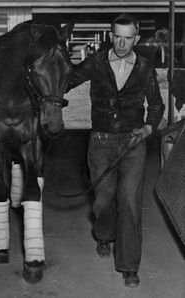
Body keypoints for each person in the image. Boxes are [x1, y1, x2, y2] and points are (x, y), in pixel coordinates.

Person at [68, 14, 165, 287]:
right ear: (111, 36)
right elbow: (67, 81)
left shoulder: (145, 67)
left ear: (136, 38)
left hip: (133, 142)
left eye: (128, 37)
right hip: (100, 142)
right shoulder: (96, 62)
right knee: (103, 201)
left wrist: (147, 129)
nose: (122, 43)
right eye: (117, 36)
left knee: (130, 202)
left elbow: (156, 106)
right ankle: (103, 234)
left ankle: (129, 266)